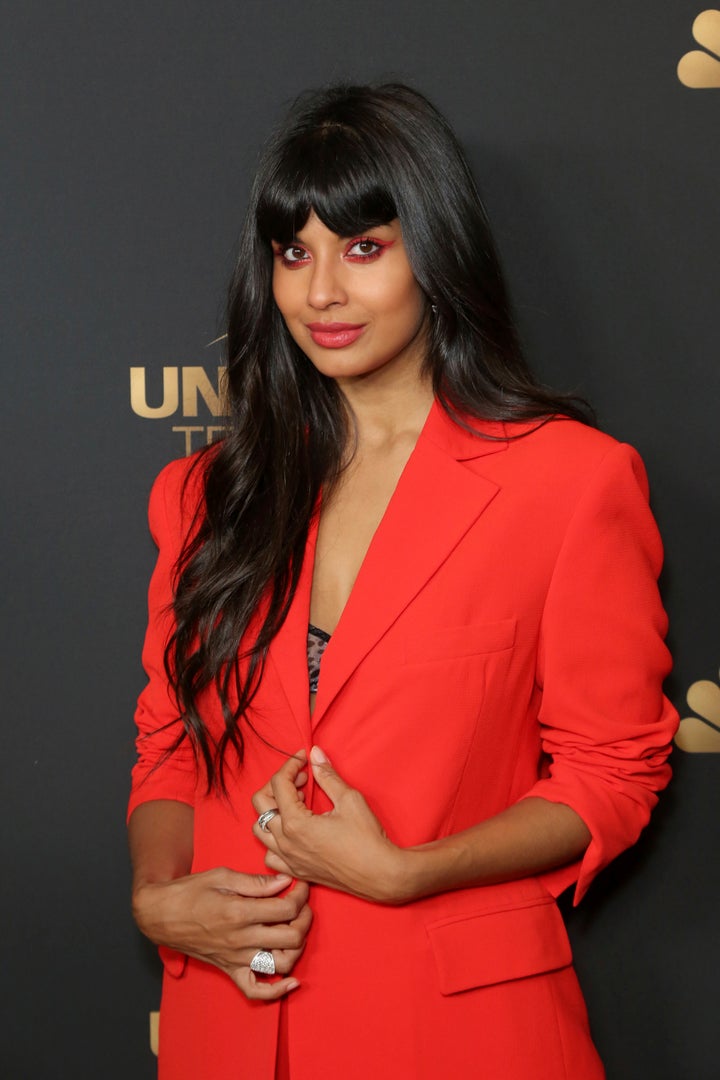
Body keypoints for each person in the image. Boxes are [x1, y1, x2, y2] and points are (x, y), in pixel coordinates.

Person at [128, 83, 678, 1080]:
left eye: (364, 247)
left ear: (437, 250)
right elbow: (170, 747)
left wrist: (407, 871)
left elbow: (611, 774)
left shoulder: (568, 483)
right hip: (229, 1027)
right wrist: (160, 895)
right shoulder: (204, 494)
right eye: (293, 252)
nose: (320, 292)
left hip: (459, 1033)